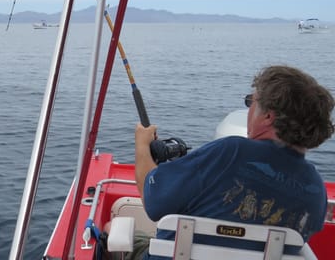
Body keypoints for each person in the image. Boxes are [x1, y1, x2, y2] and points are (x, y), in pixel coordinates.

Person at [131, 65, 334, 259]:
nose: (249, 109)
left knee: (115, 233)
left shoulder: (230, 152)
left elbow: (153, 203)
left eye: (251, 102)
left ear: (268, 116)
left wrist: (142, 144)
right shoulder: (316, 191)